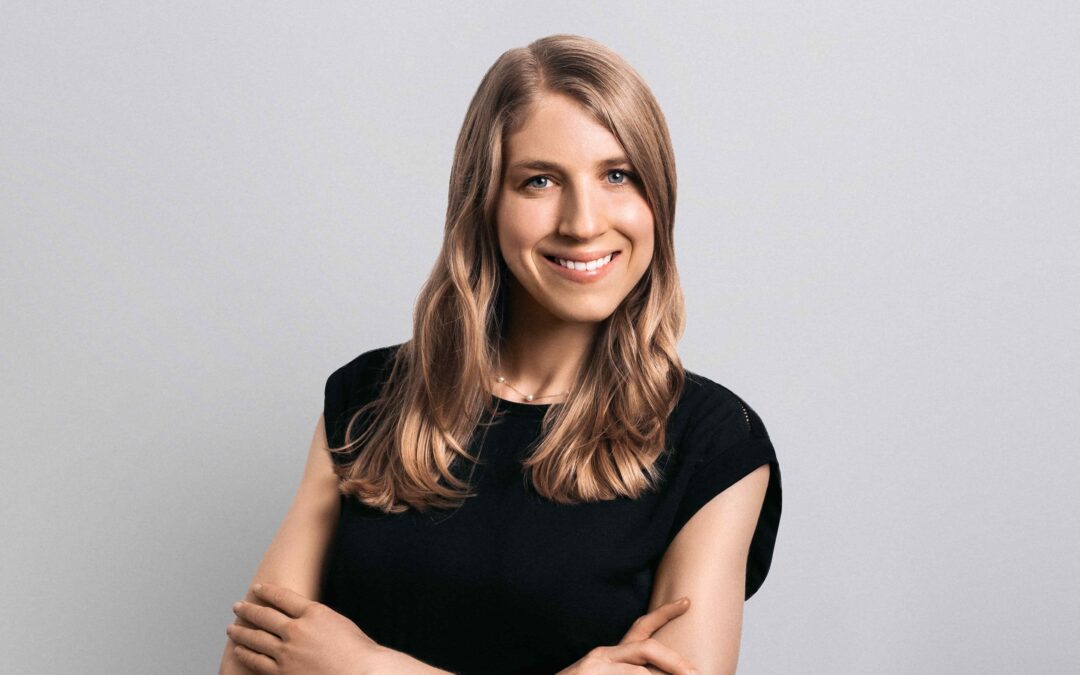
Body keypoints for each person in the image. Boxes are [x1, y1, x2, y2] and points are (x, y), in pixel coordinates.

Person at [219, 33, 782, 675]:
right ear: (483, 203)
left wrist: (366, 668)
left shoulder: (714, 446)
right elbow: (245, 669)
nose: (583, 221)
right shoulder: (367, 398)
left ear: (659, 196)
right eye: (538, 181)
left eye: (617, 175)